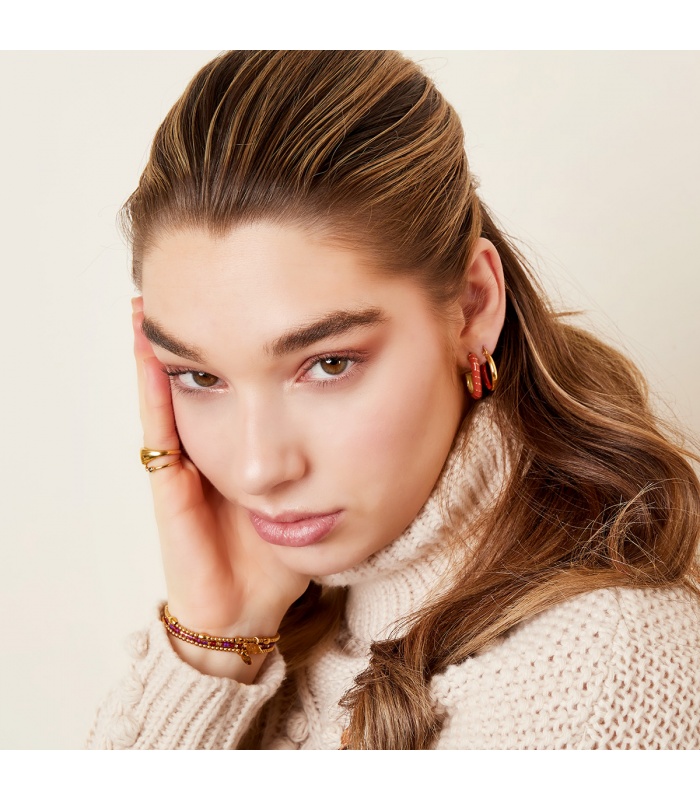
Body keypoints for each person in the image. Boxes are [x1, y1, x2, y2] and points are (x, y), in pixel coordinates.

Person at [86, 50, 700, 750]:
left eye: (329, 364)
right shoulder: (290, 619)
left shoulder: (604, 681)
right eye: (198, 377)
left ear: (473, 306)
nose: (258, 470)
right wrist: (214, 641)